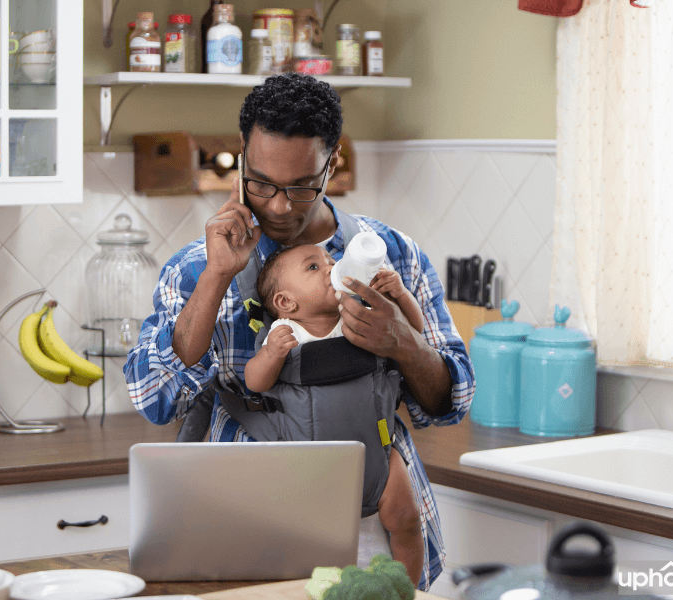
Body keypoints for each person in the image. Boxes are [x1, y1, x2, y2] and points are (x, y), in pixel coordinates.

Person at [124, 72, 474, 590]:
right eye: (261, 182)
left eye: (302, 186)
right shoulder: (198, 267)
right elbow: (155, 401)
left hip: (376, 527)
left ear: (331, 163)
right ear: (242, 153)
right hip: (246, 527)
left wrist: (401, 340)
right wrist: (218, 277)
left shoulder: (391, 254)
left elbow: (449, 404)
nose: (280, 205)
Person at [244, 242, 426, 583]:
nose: (331, 267)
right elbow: (255, 382)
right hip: (313, 465)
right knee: (307, 543)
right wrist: (271, 354)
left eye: (331, 260)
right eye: (314, 267)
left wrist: (400, 296)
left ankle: (407, 588)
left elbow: (415, 333)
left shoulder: (360, 315)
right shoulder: (285, 333)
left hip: (379, 449)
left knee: (406, 518)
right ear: (286, 302)